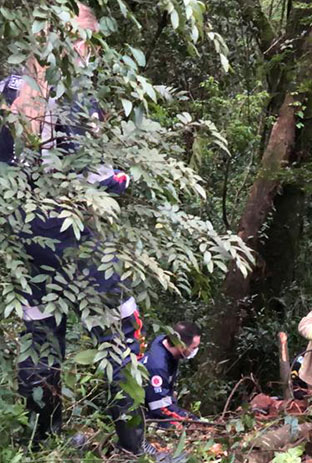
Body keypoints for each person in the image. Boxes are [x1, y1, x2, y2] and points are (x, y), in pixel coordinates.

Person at [4, 4, 173, 460]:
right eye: (87, 43)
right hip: (78, 236)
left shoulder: (8, 91)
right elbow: (98, 178)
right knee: (119, 334)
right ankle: (134, 447)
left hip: (26, 235)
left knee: (41, 333)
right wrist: (123, 177)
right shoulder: (76, 95)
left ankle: (42, 440)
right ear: (76, 41)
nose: (90, 53)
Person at [142, 322, 202, 428]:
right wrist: (193, 420)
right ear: (180, 345)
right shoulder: (158, 367)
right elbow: (160, 408)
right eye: (193, 347)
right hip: (145, 413)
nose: (195, 351)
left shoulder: (164, 342)